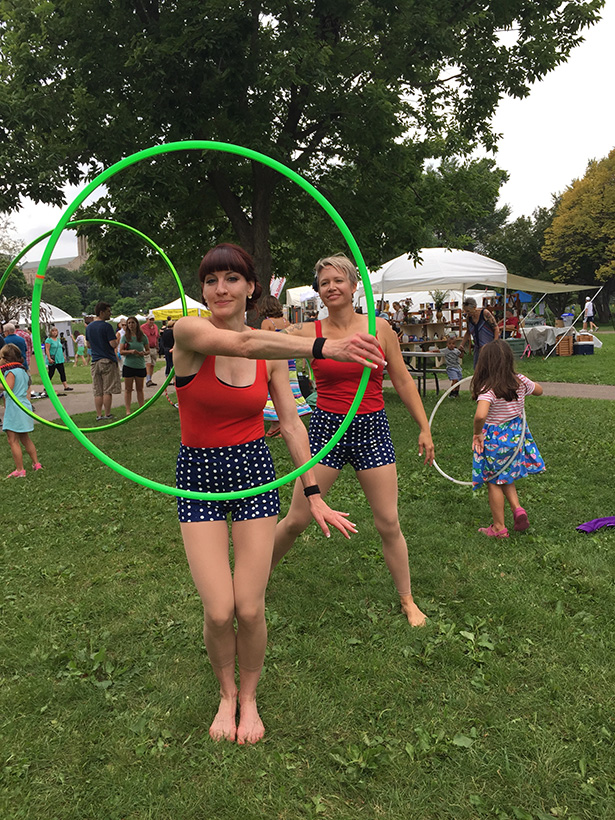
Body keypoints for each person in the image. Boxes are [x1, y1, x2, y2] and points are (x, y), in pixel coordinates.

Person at [172, 243, 384, 745]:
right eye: (210, 280)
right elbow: (242, 344)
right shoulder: (188, 333)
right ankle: (224, 694)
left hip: (253, 473)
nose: (219, 289)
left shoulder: (270, 356)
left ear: (251, 287)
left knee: (249, 607)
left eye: (231, 279)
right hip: (198, 474)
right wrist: (323, 348)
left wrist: (312, 493)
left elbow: (290, 424)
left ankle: (248, 696)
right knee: (219, 609)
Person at [271, 254, 435, 627]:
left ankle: (408, 600)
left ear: (353, 285)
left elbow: (403, 379)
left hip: (371, 428)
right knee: (296, 519)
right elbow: (260, 349)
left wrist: (424, 427)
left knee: (388, 522)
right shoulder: (308, 333)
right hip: (328, 429)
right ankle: (253, 581)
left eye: (337, 280)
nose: (330, 287)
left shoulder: (379, 329)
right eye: (324, 282)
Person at [471, 340, 545, 538]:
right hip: (515, 438)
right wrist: (529, 384)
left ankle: (499, 527)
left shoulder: (489, 388)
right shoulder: (519, 381)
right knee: (505, 474)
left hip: (495, 440)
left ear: (485, 364)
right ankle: (517, 509)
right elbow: (539, 390)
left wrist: (478, 433)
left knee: (493, 480)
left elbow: (480, 415)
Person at [259, 295, 311, 438]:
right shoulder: (285, 322)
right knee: (289, 390)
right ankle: (290, 420)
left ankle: (276, 424)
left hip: (275, 360)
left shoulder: (266, 323)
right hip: (289, 360)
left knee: (274, 391)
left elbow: (265, 343)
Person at [0, 344, 42, 477]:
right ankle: (36, 464)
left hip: (15, 407)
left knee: (12, 440)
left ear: (6, 359)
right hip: (24, 405)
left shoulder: (11, 372)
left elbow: (8, 387)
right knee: (25, 438)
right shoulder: (22, 370)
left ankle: (20, 470)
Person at [85, 302, 121, 421]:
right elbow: (113, 344)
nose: (110, 313)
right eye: (108, 311)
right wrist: (117, 341)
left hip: (95, 361)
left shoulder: (89, 327)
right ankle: (107, 414)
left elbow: (88, 345)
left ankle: (99, 415)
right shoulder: (107, 327)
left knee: (97, 390)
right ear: (102, 312)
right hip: (107, 360)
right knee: (107, 389)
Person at [120, 316, 150, 415]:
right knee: (128, 389)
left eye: (133, 323)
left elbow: (148, 350)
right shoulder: (125, 337)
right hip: (128, 365)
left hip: (140, 365)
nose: (131, 325)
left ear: (136, 324)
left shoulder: (143, 337)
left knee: (139, 388)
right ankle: (128, 410)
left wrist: (144, 353)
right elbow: (121, 351)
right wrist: (131, 351)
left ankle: (141, 407)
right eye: (129, 323)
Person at [461, 296, 500, 367]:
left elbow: (496, 328)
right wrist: (462, 345)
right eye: (465, 311)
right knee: (478, 369)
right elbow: (468, 331)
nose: (466, 313)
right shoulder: (469, 318)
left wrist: (495, 343)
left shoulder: (485, 313)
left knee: (490, 367)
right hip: (478, 347)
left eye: (468, 311)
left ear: (474, 307)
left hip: (489, 346)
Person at [44, 327, 73, 393]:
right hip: (53, 359)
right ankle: (46, 386)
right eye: (53, 331)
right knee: (51, 373)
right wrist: (49, 358)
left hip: (59, 358)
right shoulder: (48, 340)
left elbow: (60, 348)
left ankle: (66, 386)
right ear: (51, 332)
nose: (54, 332)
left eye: (56, 331)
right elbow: (47, 349)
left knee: (62, 372)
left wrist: (63, 355)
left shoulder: (58, 340)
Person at [140, 313, 160, 387]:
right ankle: (148, 379)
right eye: (150, 320)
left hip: (153, 347)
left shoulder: (155, 327)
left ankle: (150, 379)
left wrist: (157, 346)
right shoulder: (142, 327)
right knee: (147, 363)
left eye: (153, 320)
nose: (151, 321)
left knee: (152, 364)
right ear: (147, 320)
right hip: (146, 347)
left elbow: (156, 337)